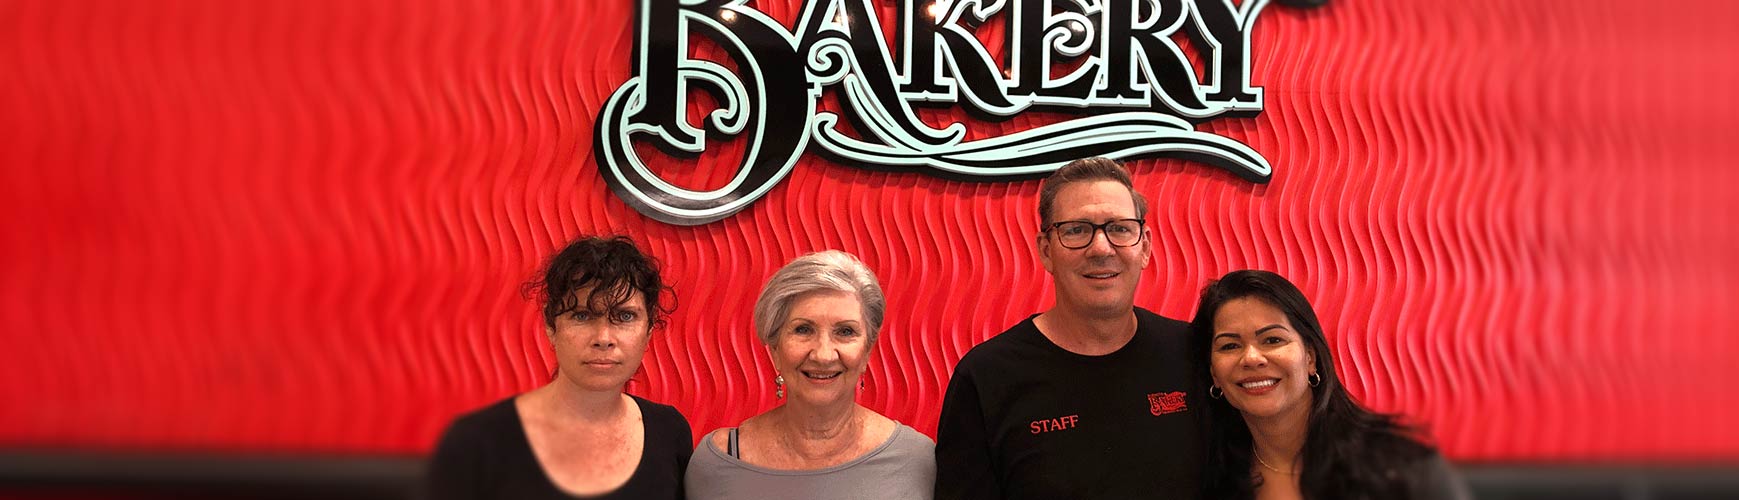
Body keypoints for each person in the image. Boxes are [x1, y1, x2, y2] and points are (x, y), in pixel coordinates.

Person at [935, 157, 1202, 500]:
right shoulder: (987, 376)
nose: (1101, 248)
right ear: (1046, 251)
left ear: (1145, 246)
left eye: (1120, 228)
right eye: (1076, 230)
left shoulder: (1191, 352)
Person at [427, 236, 693, 500]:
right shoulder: (477, 441)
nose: (603, 338)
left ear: (648, 331)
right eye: (582, 315)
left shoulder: (669, 432)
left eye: (625, 316)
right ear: (551, 326)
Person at [1191, 270, 1472, 500]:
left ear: (1310, 357)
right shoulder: (1208, 476)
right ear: (1214, 374)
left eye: (1273, 340)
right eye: (1230, 345)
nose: (1252, 358)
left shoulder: (1400, 466)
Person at [685, 250, 934, 500]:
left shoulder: (917, 461)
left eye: (845, 331)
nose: (823, 355)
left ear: (867, 351)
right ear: (774, 349)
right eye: (803, 329)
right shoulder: (718, 461)